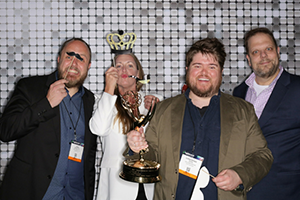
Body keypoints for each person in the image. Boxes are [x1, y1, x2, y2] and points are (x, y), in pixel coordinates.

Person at [126, 38, 273, 200]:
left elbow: (262, 155)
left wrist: (240, 175)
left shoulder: (243, 111)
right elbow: (150, 157)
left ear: (221, 71)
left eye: (212, 67)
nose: (204, 73)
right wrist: (138, 148)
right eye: (197, 66)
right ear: (187, 69)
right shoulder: (163, 110)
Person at [0, 38, 97, 200]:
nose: (74, 63)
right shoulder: (30, 87)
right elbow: (5, 130)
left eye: (81, 58)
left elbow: (89, 155)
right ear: (59, 59)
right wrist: (46, 103)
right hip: (32, 192)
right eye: (69, 56)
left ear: (88, 66)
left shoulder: (91, 100)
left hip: (75, 195)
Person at [233, 27, 300, 200]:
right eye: (256, 51)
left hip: (287, 191)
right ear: (249, 59)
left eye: (268, 49)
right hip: (243, 190)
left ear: (277, 52)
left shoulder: (298, 88)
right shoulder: (239, 93)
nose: (263, 55)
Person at [89, 53, 162, 200]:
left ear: (138, 73)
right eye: (118, 66)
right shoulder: (103, 101)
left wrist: (158, 110)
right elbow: (98, 129)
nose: (124, 70)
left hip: (147, 184)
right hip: (117, 184)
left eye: (130, 66)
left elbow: (159, 143)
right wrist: (109, 88)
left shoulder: (150, 103)